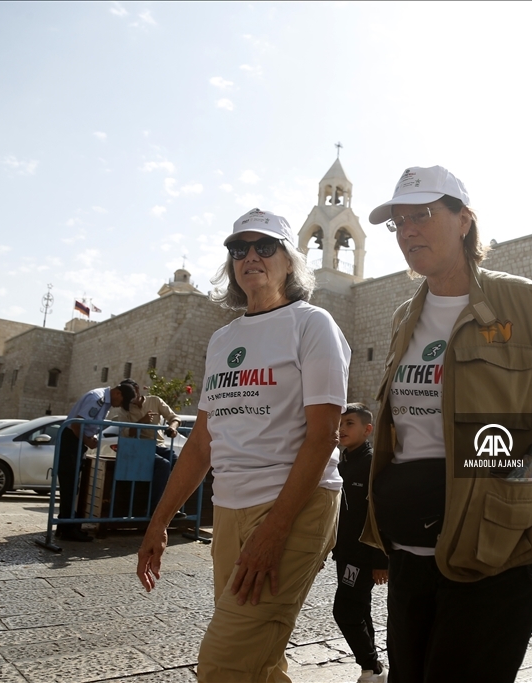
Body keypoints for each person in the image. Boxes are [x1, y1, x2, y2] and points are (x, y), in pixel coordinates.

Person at [360, 165, 532, 682]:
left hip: (498, 549)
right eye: (398, 222)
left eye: (422, 215)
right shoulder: (402, 318)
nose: (408, 230)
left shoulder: (522, 303)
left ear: (464, 221)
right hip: (413, 551)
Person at [136, 208, 350, 682]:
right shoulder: (223, 340)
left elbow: (323, 437)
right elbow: (201, 442)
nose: (250, 256)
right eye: (239, 249)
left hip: (293, 507)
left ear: (290, 260)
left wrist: (274, 532)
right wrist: (159, 522)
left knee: (224, 664)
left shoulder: (312, 326)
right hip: (230, 508)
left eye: (264, 246)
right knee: (260, 660)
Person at [332, 403, 388, 683]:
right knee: (359, 608)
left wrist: (381, 560)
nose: (342, 428)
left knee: (344, 610)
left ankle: (371, 667)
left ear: (367, 429)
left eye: (349, 423)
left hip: (363, 555)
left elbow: (381, 514)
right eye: (340, 423)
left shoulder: (372, 464)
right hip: (345, 552)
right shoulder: (342, 461)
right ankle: (373, 668)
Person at [57, 383, 134, 541]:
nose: (119, 405)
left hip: (76, 440)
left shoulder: (104, 401)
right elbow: (77, 425)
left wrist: (90, 439)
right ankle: (68, 529)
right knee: (69, 486)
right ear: (118, 393)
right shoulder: (97, 398)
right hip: (72, 440)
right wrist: (87, 441)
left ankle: (64, 526)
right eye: (122, 401)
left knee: (72, 487)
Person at [108, 379, 181, 515]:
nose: (129, 398)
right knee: (163, 465)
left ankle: (172, 506)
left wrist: (172, 428)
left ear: (137, 389)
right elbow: (127, 432)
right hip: (138, 447)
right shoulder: (125, 410)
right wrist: (143, 422)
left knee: (177, 462)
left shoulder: (155, 401)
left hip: (158, 445)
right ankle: (155, 508)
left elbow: (174, 417)